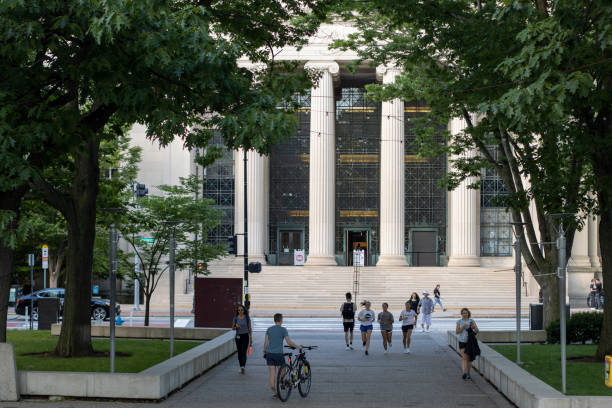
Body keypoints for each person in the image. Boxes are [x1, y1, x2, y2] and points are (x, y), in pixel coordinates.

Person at [264, 313, 302, 398]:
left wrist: (264, 352)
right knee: (283, 371)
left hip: (269, 354)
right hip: (278, 354)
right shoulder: (283, 330)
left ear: (274, 320)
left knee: (272, 373)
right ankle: (280, 380)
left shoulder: (269, 329)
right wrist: (297, 346)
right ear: (281, 320)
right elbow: (289, 342)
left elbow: (266, 343)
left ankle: (274, 391)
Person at [456, 308, 479, 380]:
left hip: (470, 342)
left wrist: (474, 327)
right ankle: (464, 373)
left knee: (468, 359)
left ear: (468, 314)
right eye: (463, 313)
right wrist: (462, 327)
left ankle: (468, 373)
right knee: (464, 357)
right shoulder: (459, 322)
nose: (464, 314)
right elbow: (457, 332)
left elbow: (477, 331)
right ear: (461, 314)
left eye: (466, 313)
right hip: (462, 341)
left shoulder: (471, 321)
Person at [232, 304, 253, 374]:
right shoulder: (235, 318)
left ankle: (243, 367)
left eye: (241, 310)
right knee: (239, 352)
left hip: (245, 336)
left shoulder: (247, 318)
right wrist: (236, 326)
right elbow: (232, 328)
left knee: (243, 351)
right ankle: (241, 366)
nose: (240, 311)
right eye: (239, 310)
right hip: (238, 336)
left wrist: (251, 338)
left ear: (244, 310)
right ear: (237, 311)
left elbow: (250, 328)